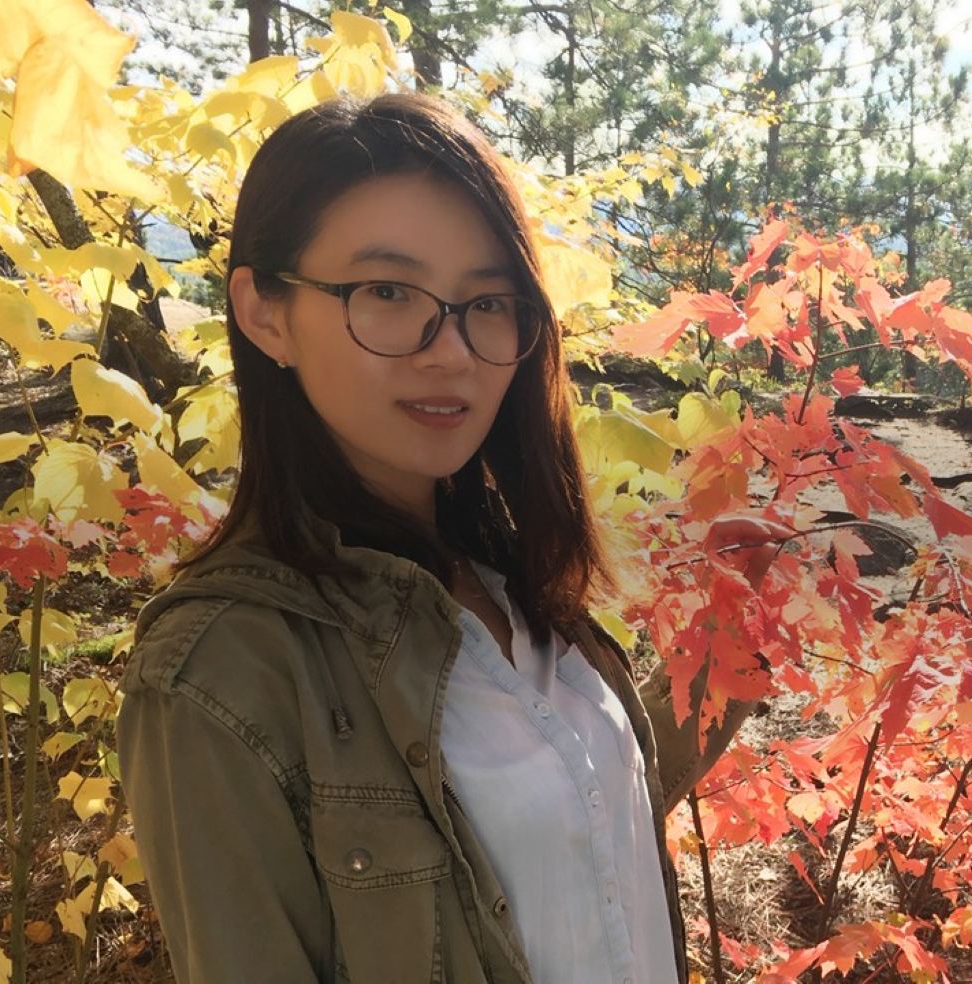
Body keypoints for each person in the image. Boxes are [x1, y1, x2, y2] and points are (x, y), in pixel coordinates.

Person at [115, 92, 770, 984]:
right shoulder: (223, 673)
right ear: (266, 313)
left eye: (488, 301)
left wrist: (722, 654)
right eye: (387, 291)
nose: (452, 350)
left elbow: (581, 813)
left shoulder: (503, 569)